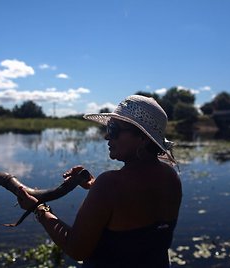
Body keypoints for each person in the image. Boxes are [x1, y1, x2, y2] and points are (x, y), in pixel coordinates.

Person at [17, 95, 182, 267]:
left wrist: (38, 209)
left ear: (143, 138)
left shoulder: (110, 185)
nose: (107, 136)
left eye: (114, 129)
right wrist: (93, 184)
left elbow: (76, 249)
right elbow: (136, 206)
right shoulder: (170, 177)